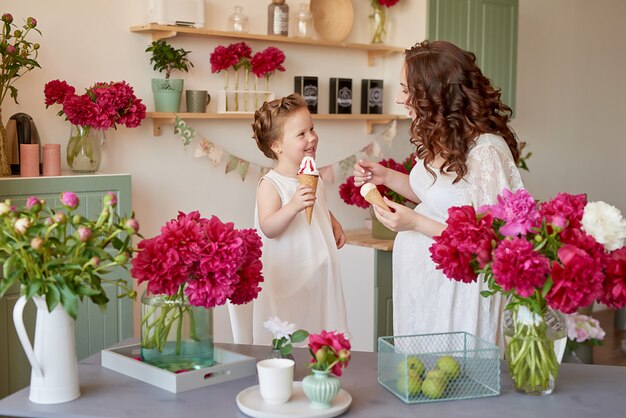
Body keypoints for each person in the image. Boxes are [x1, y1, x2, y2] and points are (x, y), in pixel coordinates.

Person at [353, 40, 523, 348]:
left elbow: (491, 240)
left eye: (407, 90)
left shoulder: (486, 151)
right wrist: (386, 176)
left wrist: (416, 224)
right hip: (422, 284)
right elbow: (435, 198)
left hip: (460, 291)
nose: (400, 98)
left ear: (436, 94)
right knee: (422, 379)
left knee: (454, 378)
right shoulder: (443, 138)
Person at [237, 93, 348, 345]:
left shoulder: (309, 174)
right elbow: (268, 226)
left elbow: (317, 205)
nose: (312, 137)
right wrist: (293, 206)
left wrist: (332, 221)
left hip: (318, 277)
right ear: (277, 146)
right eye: (301, 134)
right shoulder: (271, 183)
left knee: (320, 333)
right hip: (289, 281)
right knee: (292, 336)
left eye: (312, 128)